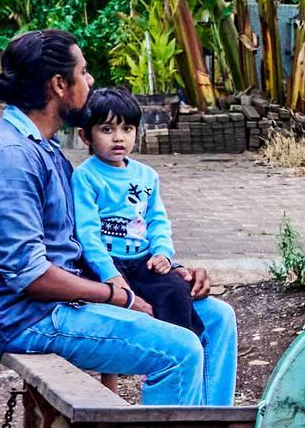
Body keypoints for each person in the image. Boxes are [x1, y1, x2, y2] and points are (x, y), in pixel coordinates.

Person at [0, 32, 239, 406]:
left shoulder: (42, 147)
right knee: (179, 349)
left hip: (54, 300)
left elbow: (83, 240)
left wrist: (170, 271)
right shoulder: (11, 158)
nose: (90, 82)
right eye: (84, 73)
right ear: (58, 85)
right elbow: (30, 275)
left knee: (217, 319)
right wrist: (117, 296)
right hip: (19, 316)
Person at [70, 88, 212, 341]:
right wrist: (109, 273)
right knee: (123, 313)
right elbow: (87, 232)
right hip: (107, 262)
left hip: (142, 260)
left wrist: (163, 254)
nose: (118, 138)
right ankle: (144, 355)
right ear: (85, 136)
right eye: (106, 130)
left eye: (127, 129)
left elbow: (157, 220)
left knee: (176, 290)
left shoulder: (146, 175)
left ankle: (184, 347)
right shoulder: (86, 176)